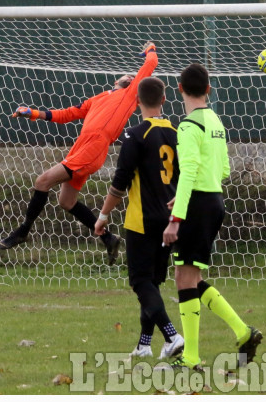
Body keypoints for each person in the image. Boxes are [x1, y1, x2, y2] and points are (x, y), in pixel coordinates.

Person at [0, 42, 159, 266]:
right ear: (115, 81)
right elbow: (67, 114)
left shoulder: (131, 95)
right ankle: (108, 239)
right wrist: (32, 113)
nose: (131, 77)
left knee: (42, 182)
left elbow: (151, 62)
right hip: (81, 146)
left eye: (134, 77)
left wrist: (150, 48)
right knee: (66, 201)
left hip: (93, 148)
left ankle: (23, 231)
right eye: (128, 76)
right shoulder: (99, 98)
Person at [162, 63, 262, 371]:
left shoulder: (189, 126)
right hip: (213, 199)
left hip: (198, 206)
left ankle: (191, 358)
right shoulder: (216, 121)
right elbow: (223, 170)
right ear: (208, 89)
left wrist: (176, 217)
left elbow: (190, 170)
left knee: (183, 279)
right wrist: (193, 193)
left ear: (180, 89)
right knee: (191, 278)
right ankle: (244, 332)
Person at [94, 76, 183, 359]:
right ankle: (144, 344)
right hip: (170, 219)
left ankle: (171, 336)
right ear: (164, 101)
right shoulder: (177, 133)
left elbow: (120, 182)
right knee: (152, 284)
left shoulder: (134, 134)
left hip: (142, 220)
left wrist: (103, 215)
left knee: (140, 282)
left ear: (136, 102)